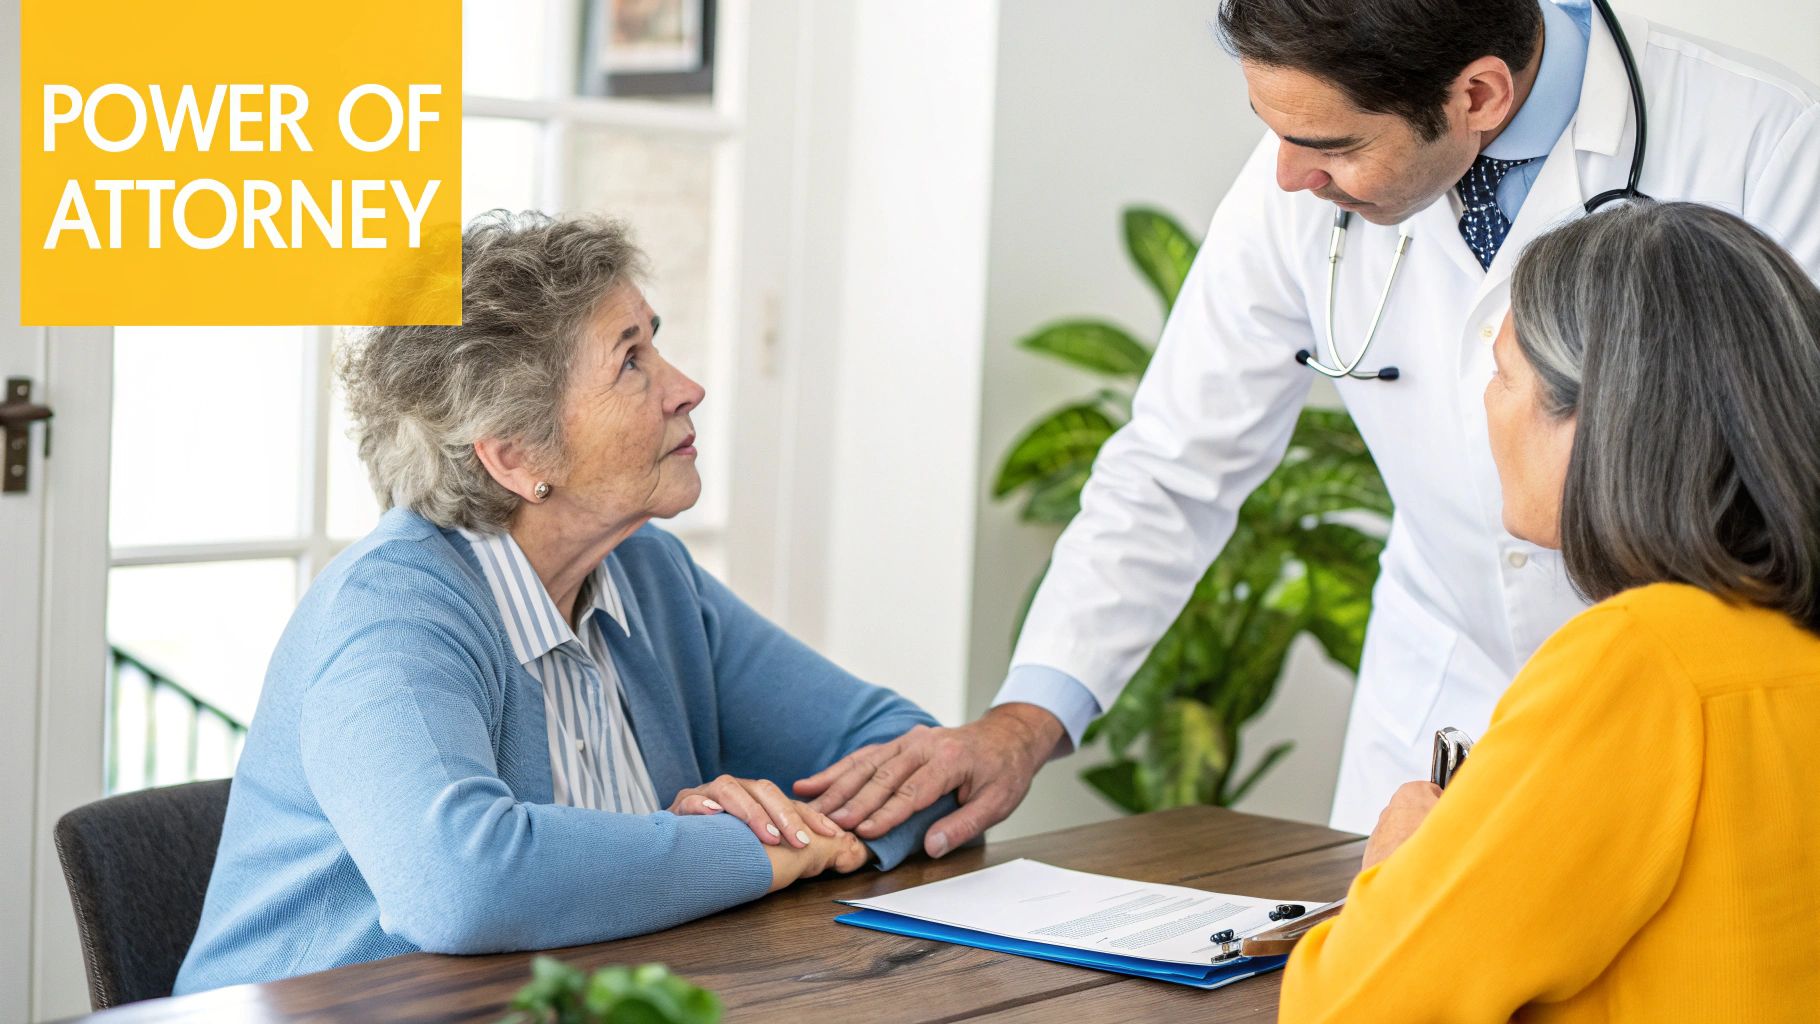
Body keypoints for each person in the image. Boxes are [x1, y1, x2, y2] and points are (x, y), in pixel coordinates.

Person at [795, 0, 1820, 845]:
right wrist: (1024, 720)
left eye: (1323, 144)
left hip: (1688, 710)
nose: (1284, 175)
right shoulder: (1299, 167)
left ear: (1475, 95)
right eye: (1269, 129)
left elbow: (1788, 496)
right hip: (1440, 708)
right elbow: (1174, 458)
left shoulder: (1764, 147)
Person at [174, 212, 952, 994]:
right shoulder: (391, 611)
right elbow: (460, 886)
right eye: (631, 362)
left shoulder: (650, 576)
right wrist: (755, 851)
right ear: (516, 455)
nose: (688, 388)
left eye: (656, 341)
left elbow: (907, 755)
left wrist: (795, 830)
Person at [1277, 201, 1820, 1020]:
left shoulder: (1640, 659)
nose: (1486, 408)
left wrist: (1396, 865)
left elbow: (1354, 1007)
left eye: (1502, 375)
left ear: (1597, 418)